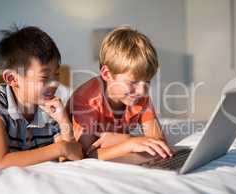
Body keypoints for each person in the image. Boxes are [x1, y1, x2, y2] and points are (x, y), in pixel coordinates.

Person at [0, 25, 83, 168]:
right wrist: (59, 148)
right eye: (44, 77)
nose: (54, 83)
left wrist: (63, 120)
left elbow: (75, 155)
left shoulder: (49, 109)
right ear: (12, 78)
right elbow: (0, 161)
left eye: (57, 74)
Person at [67, 26, 175, 160]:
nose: (142, 90)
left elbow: (158, 142)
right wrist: (129, 144)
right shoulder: (86, 100)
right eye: (133, 82)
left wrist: (126, 138)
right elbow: (85, 155)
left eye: (147, 81)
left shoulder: (139, 94)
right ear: (107, 74)